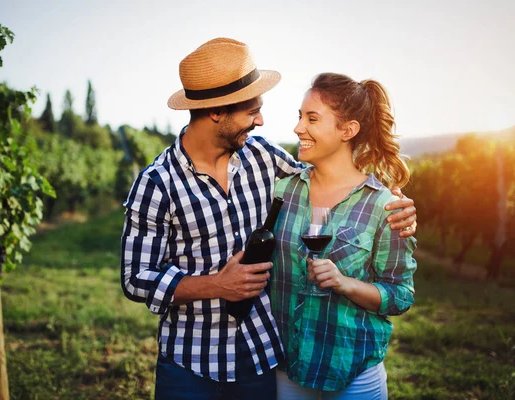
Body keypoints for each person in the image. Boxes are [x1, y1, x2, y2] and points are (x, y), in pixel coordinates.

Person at [120, 38, 417, 399]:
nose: (261, 121)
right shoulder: (157, 183)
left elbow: (333, 174)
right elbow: (136, 278)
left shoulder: (262, 158)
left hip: (260, 358)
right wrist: (217, 285)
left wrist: (393, 201)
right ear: (217, 111)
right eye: (251, 112)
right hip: (190, 364)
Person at [270, 72, 418, 400]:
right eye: (299, 117)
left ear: (347, 130)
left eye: (312, 119)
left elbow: (401, 294)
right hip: (287, 365)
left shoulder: (384, 204)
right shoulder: (282, 191)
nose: (298, 128)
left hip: (352, 371)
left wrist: (344, 284)